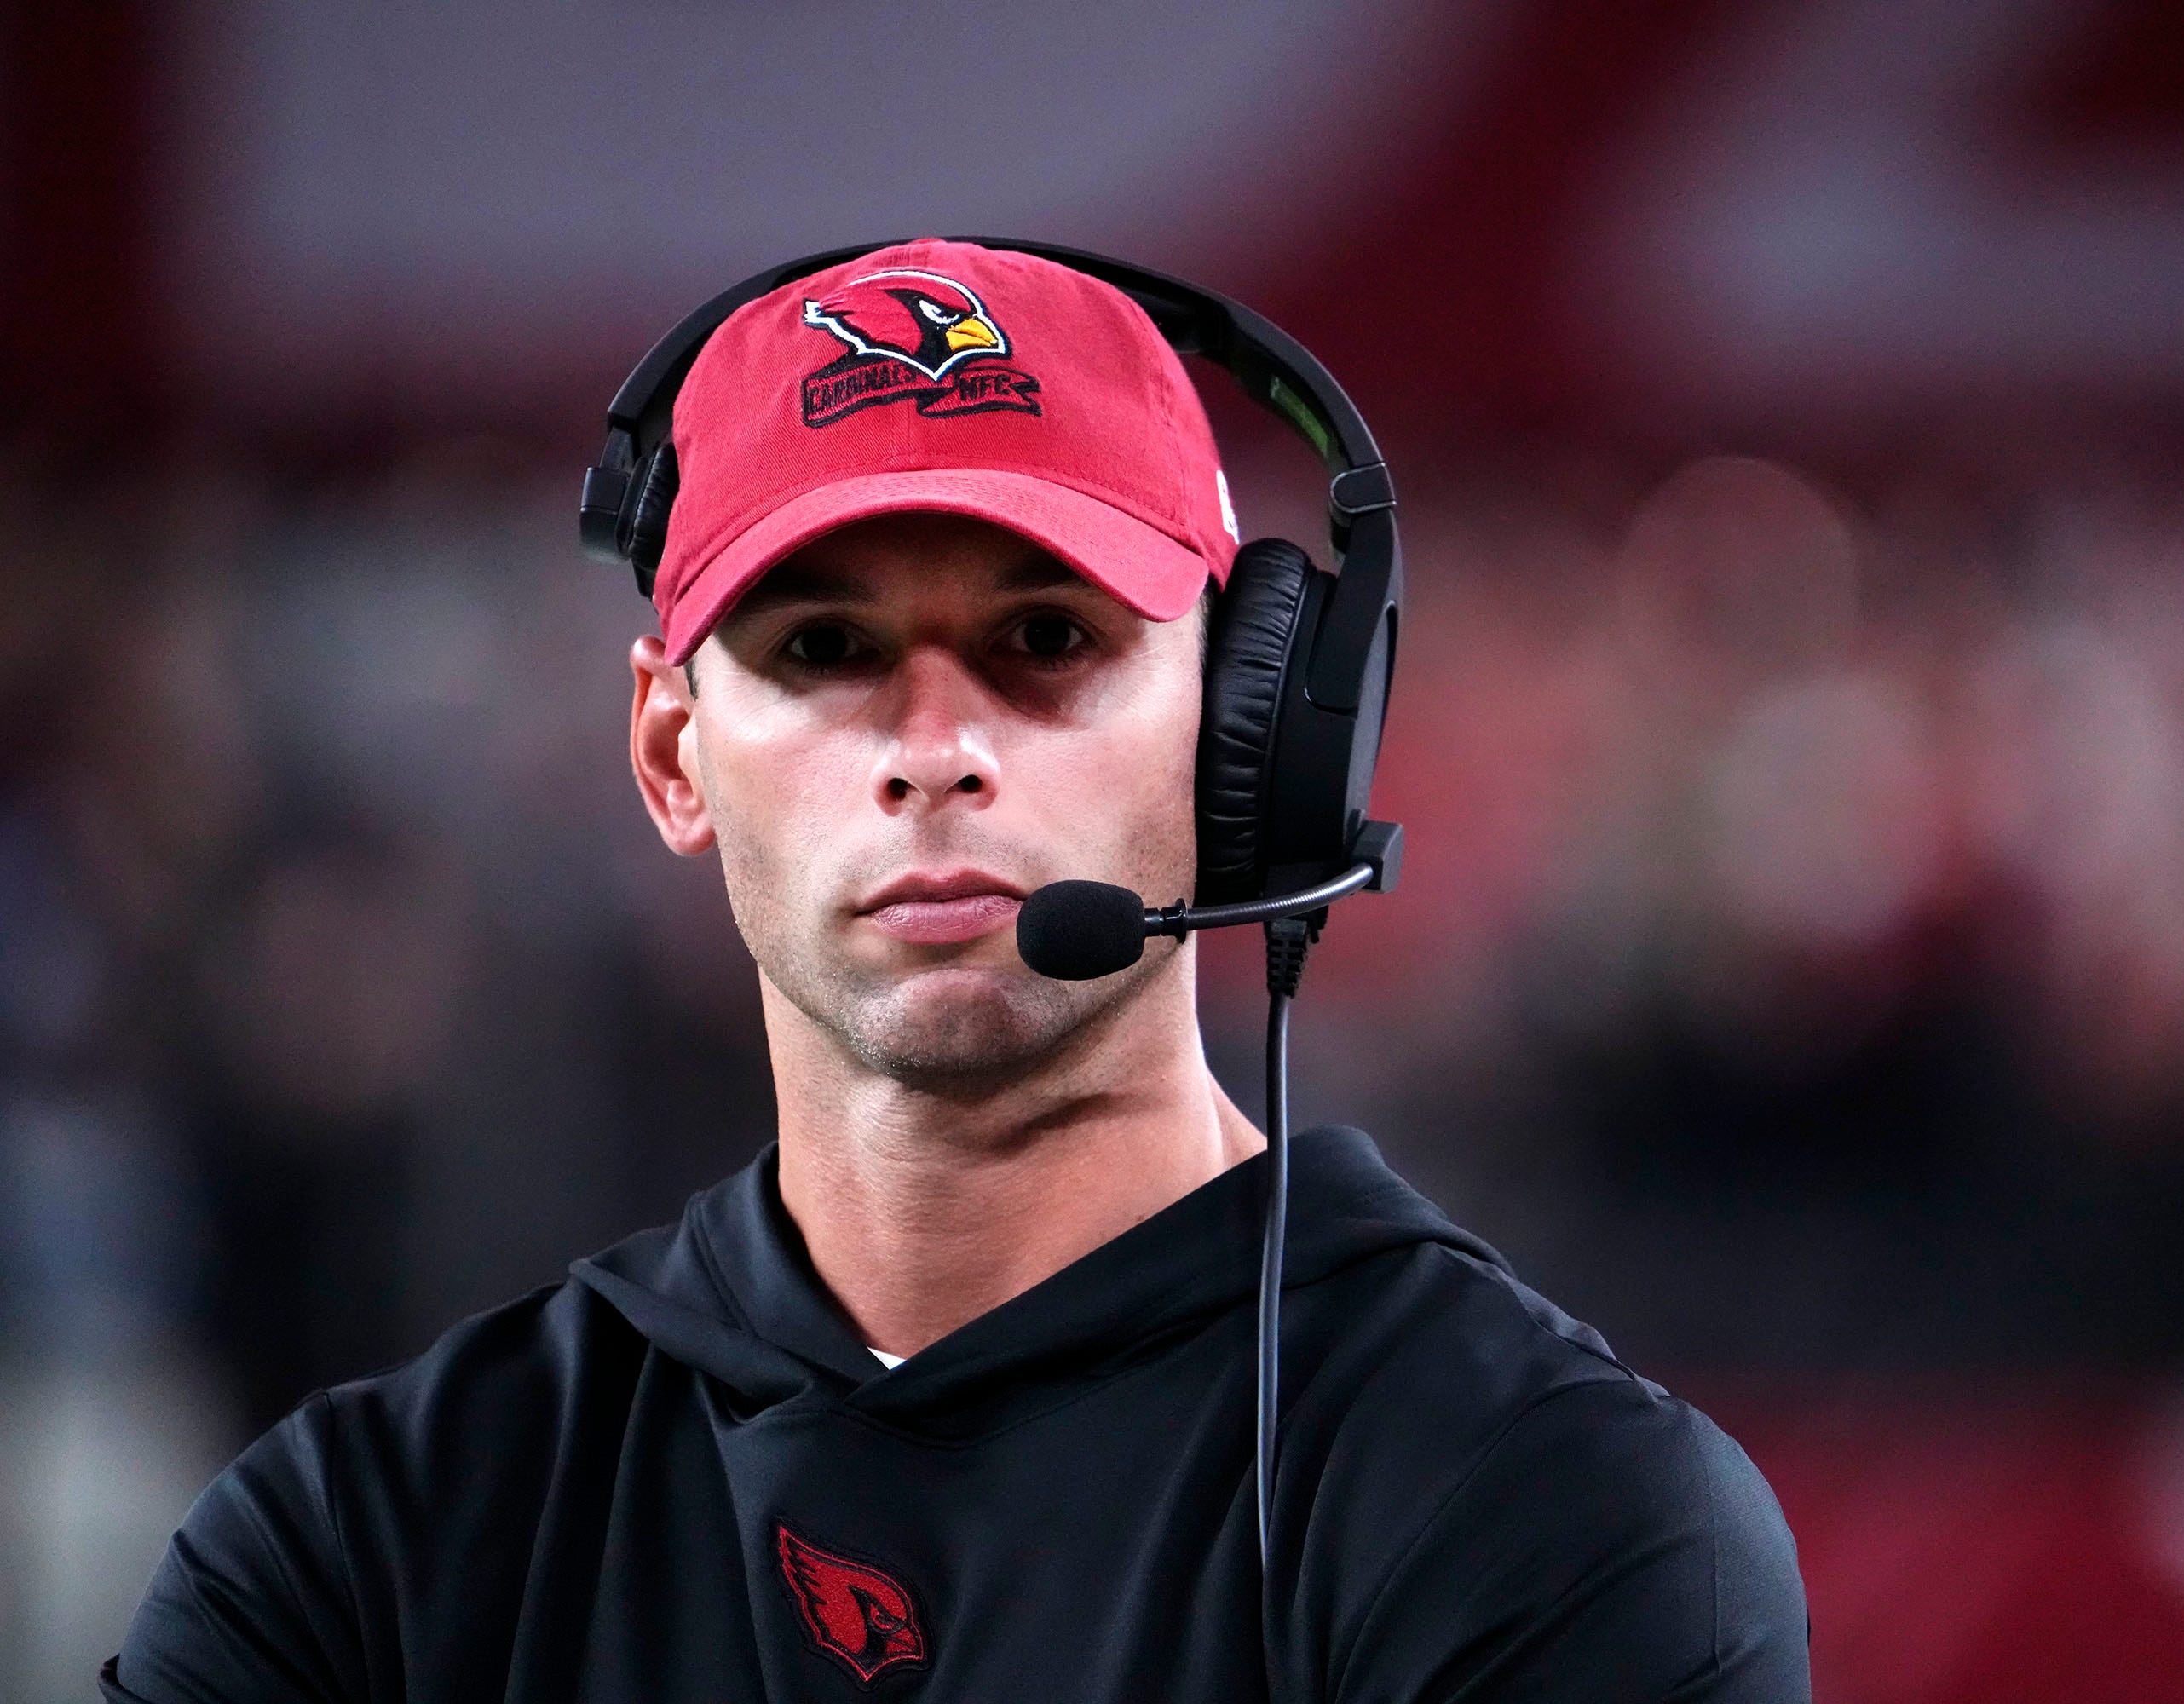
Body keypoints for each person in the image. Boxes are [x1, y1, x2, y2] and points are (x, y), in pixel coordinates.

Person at [105, 239, 1810, 1701]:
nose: (934, 748)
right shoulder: (360, 1538)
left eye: (1046, 639)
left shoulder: (1551, 1508)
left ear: (1244, 735)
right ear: (674, 754)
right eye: (827, 648)